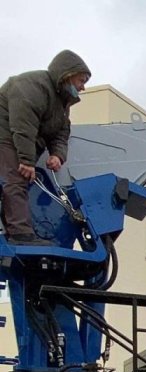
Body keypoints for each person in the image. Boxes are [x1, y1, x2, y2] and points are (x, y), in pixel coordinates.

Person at [0, 50, 91, 244]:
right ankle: (21, 235)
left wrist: (58, 155)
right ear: (68, 74)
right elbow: (22, 126)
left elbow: (61, 131)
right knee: (16, 180)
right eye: (81, 80)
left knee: (19, 183)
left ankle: (13, 230)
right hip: (6, 135)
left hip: (19, 139)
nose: (83, 87)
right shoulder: (32, 87)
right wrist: (26, 160)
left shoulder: (62, 103)